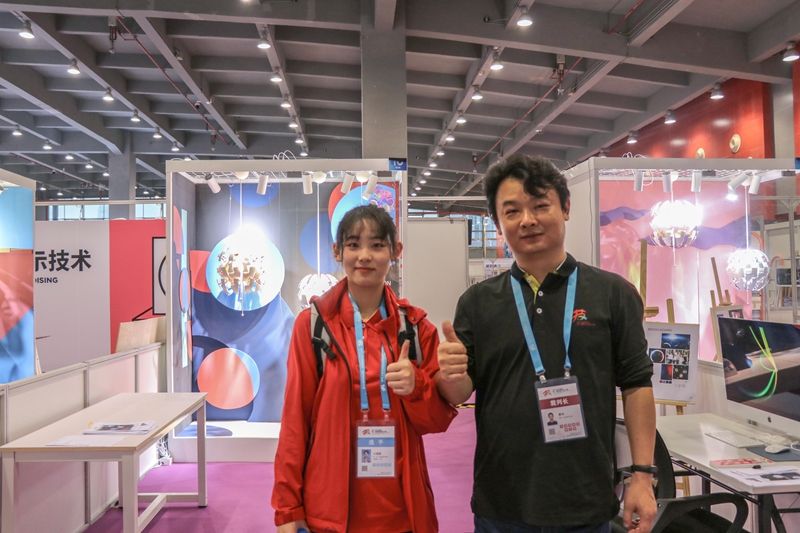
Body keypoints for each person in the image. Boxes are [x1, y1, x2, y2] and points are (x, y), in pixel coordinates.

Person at [436, 153, 657, 533]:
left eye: (540, 205)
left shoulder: (612, 294)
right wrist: (449, 374)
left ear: (565, 208)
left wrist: (642, 475)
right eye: (512, 211)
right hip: (501, 501)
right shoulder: (477, 302)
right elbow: (458, 392)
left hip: (585, 500)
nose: (527, 220)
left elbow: (637, 384)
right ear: (497, 223)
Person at [272, 204, 457, 533]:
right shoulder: (313, 326)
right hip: (328, 512)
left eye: (377, 244)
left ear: (396, 251)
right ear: (337, 251)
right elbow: (295, 420)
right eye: (354, 244)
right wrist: (287, 507)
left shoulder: (415, 328)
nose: (365, 256)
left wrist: (416, 386)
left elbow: (436, 421)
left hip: (401, 511)